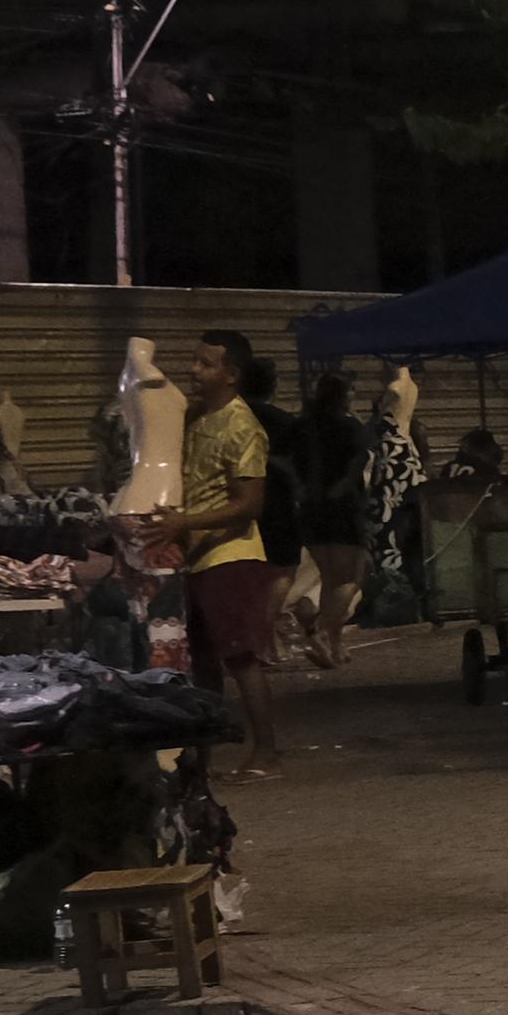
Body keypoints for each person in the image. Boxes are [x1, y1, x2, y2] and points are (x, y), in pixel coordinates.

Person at [170, 329, 285, 772]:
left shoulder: (242, 427)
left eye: (205, 364)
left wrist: (185, 523)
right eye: (194, 362)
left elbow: (248, 505)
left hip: (229, 556)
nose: (193, 370)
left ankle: (267, 749)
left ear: (231, 374)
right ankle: (202, 751)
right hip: (197, 556)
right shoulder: (197, 417)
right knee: (202, 659)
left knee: (240, 656)